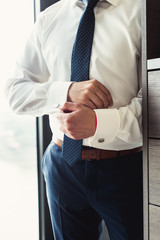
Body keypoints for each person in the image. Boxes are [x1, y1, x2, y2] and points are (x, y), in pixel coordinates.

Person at [5, 0, 143, 239]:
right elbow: (16, 92)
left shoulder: (142, 11)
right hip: (62, 166)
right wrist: (67, 91)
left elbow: (154, 100)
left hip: (127, 169)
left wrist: (100, 123)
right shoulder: (50, 18)